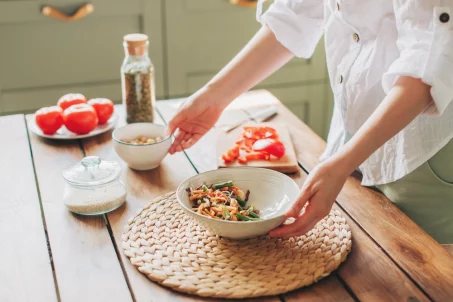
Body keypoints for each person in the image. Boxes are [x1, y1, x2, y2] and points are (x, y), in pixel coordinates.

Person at [166, 0, 453, 244]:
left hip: (420, 152)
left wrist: (342, 163)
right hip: (348, 139)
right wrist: (214, 96)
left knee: (426, 276)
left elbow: (431, 55)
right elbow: (296, 14)